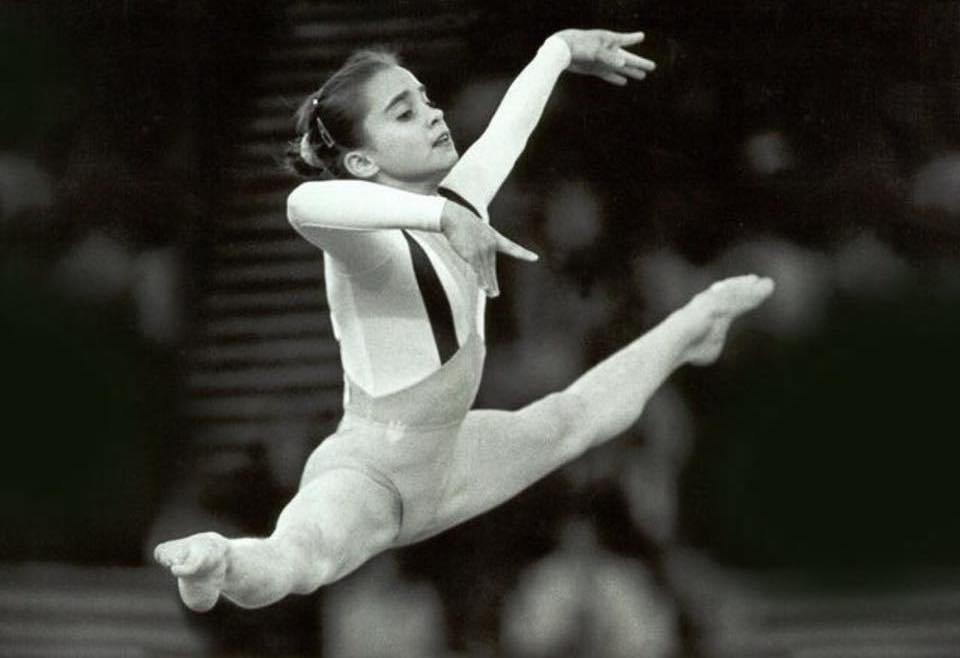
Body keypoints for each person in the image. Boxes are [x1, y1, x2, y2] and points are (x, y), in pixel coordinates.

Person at [155, 28, 774, 612]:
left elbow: (512, 128)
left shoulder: (460, 198)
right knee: (301, 558)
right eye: (404, 113)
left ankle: (697, 323)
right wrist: (445, 219)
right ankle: (218, 562)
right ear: (363, 163)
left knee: (572, 420)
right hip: (371, 472)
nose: (433, 114)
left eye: (426, 99)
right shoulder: (369, 247)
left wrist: (559, 50)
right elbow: (302, 203)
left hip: (449, 459)